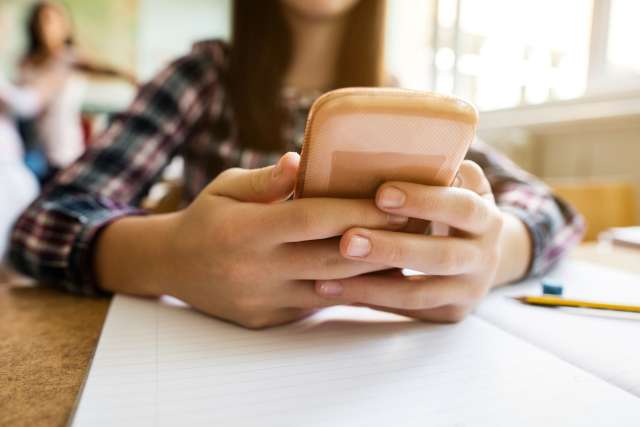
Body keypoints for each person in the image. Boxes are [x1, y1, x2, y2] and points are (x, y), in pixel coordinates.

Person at [10, 0, 584, 328]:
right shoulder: (204, 76)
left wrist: (493, 250)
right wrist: (170, 253)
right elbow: (41, 226)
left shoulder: (404, 104)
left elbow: (553, 209)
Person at [18, 0, 136, 173]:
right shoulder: (26, 64)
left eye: (51, 20)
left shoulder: (69, 59)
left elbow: (104, 69)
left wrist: (129, 77)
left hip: (64, 152)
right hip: (32, 154)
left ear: (65, 26)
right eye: (41, 21)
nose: (45, 27)